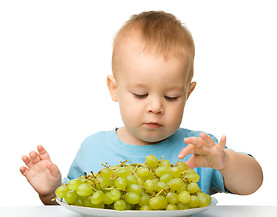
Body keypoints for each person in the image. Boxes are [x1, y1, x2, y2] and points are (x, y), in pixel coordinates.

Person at [20, 11, 263, 205]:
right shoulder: (92, 149)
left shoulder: (199, 149)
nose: (156, 106)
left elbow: (253, 183)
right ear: (114, 89)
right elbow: (71, 201)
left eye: (171, 96)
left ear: (188, 93)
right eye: (140, 94)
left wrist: (225, 161)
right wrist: (50, 193)